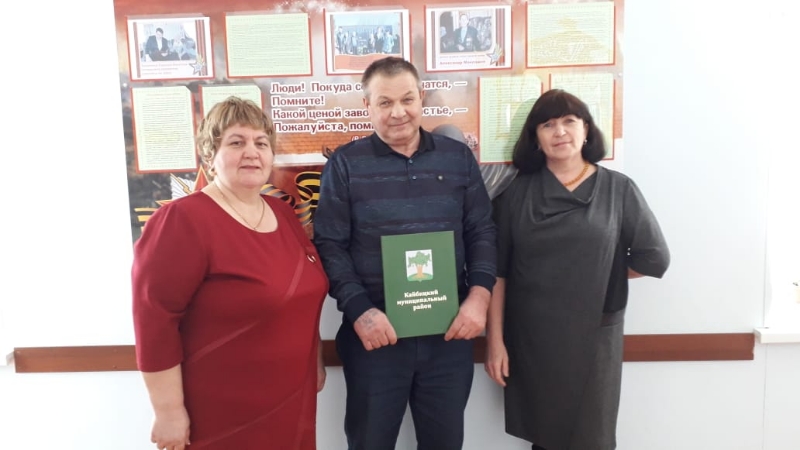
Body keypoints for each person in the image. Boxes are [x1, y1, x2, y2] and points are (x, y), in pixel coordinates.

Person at [313, 56, 496, 450]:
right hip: (375, 337)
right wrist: (360, 311)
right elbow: (329, 245)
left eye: (407, 99)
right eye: (385, 102)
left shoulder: (457, 157)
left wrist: (479, 298)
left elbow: (481, 230)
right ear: (367, 106)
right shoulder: (345, 165)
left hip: (449, 333)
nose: (398, 112)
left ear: (421, 98)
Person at [132, 97, 328, 450]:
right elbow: (154, 320)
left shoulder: (283, 214)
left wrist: (314, 361)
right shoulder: (183, 220)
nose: (251, 152)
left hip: (292, 398)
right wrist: (168, 411)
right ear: (210, 155)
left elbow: (302, 294)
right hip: (222, 408)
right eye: (236, 142)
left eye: (261, 143)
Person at [485, 89, 670, 450]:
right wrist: (495, 343)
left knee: (592, 438)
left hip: (595, 336)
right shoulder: (515, 194)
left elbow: (654, 258)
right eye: (548, 124)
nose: (560, 131)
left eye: (569, 121)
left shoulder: (618, 189)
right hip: (533, 339)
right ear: (535, 138)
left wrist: (600, 272)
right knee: (545, 436)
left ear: (586, 130)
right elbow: (498, 273)